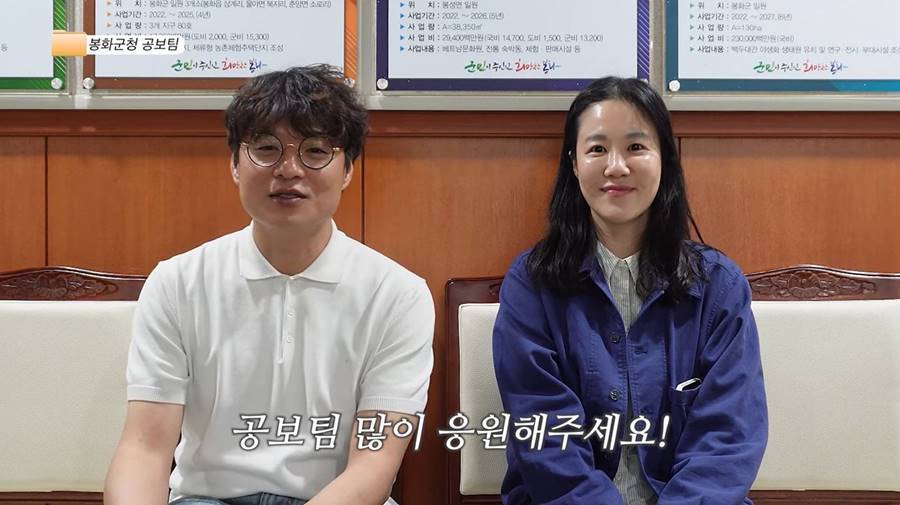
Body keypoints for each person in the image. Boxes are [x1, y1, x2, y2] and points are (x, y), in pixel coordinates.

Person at [105, 65, 435, 505]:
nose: (289, 169)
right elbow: (144, 448)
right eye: (266, 149)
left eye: (315, 151)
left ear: (348, 170)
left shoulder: (398, 295)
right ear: (235, 164)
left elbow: (374, 465)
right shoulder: (177, 282)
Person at [492, 77, 767, 505]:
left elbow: (727, 438)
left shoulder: (719, 286)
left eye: (636, 147)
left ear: (664, 159)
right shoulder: (532, 284)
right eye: (597, 149)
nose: (616, 166)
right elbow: (544, 435)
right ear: (574, 163)